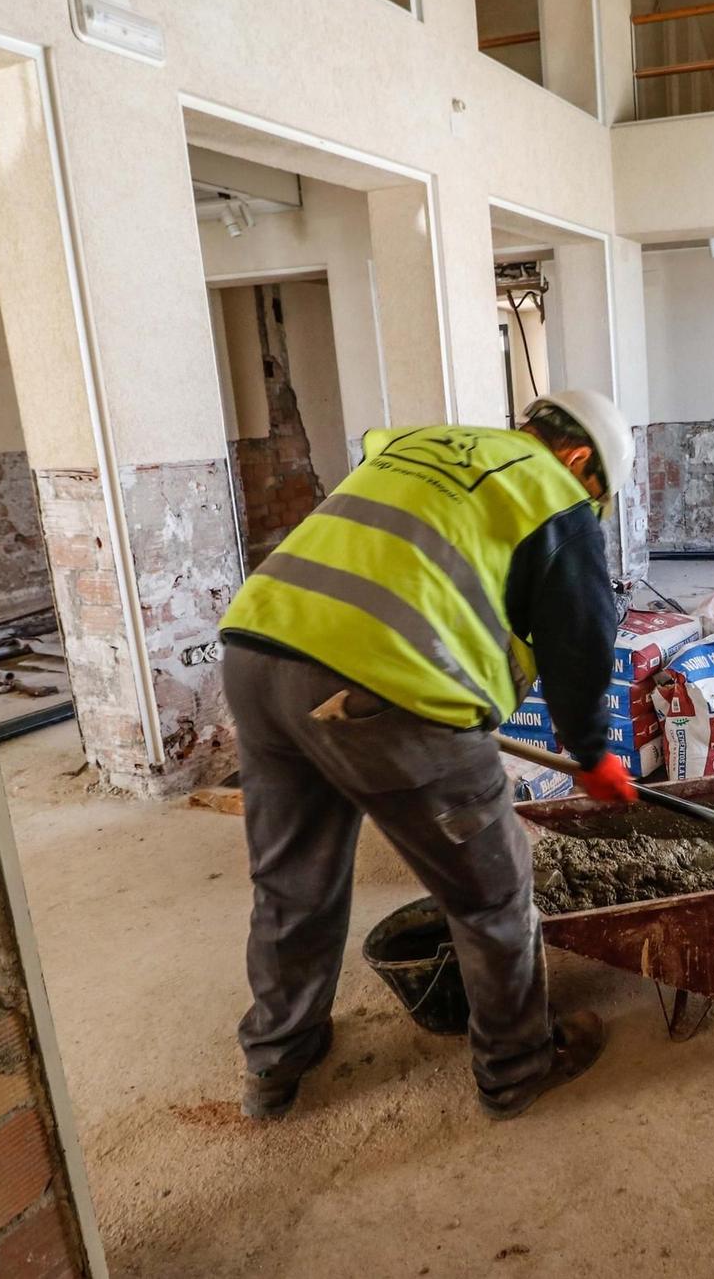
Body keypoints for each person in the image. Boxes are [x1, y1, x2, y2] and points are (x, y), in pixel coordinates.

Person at [217, 392, 639, 1120]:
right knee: (493, 892)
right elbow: (580, 641)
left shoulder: (423, 445)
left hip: (257, 648)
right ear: (580, 462)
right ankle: (516, 1066)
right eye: (597, 496)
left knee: (292, 879)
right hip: (386, 685)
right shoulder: (553, 491)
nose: (591, 509)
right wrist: (595, 751)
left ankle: (277, 1060)